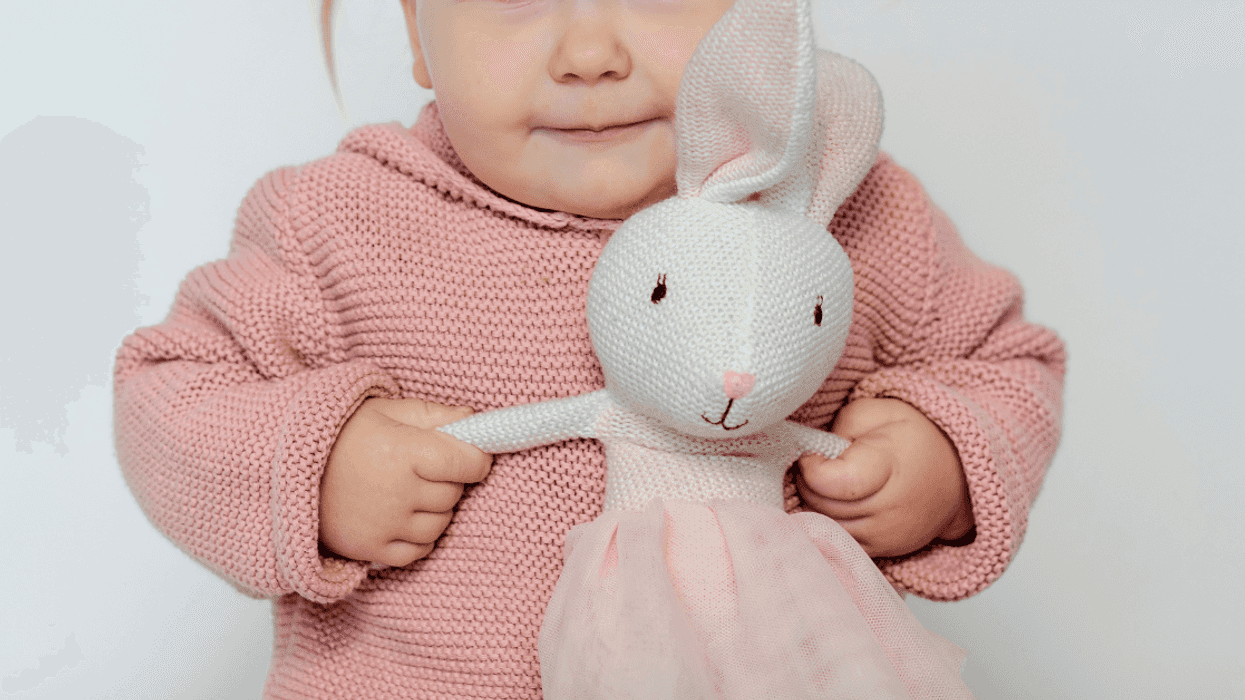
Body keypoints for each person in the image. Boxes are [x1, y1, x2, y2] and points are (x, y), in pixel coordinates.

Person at [112, 0, 1066, 697]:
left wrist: (941, 461)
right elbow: (170, 397)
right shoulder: (336, 224)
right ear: (414, 31)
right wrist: (314, 468)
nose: (588, 53)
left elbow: (1002, 362)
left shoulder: (840, 213)